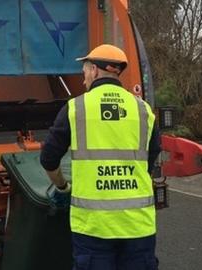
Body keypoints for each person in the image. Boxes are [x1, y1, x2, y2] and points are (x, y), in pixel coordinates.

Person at [40, 44, 161, 270]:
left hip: (93, 227)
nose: (83, 78)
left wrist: (63, 188)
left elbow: (48, 159)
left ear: (94, 71)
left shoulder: (75, 108)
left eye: (84, 71)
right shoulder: (144, 110)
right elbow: (151, 158)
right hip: (138, 226)